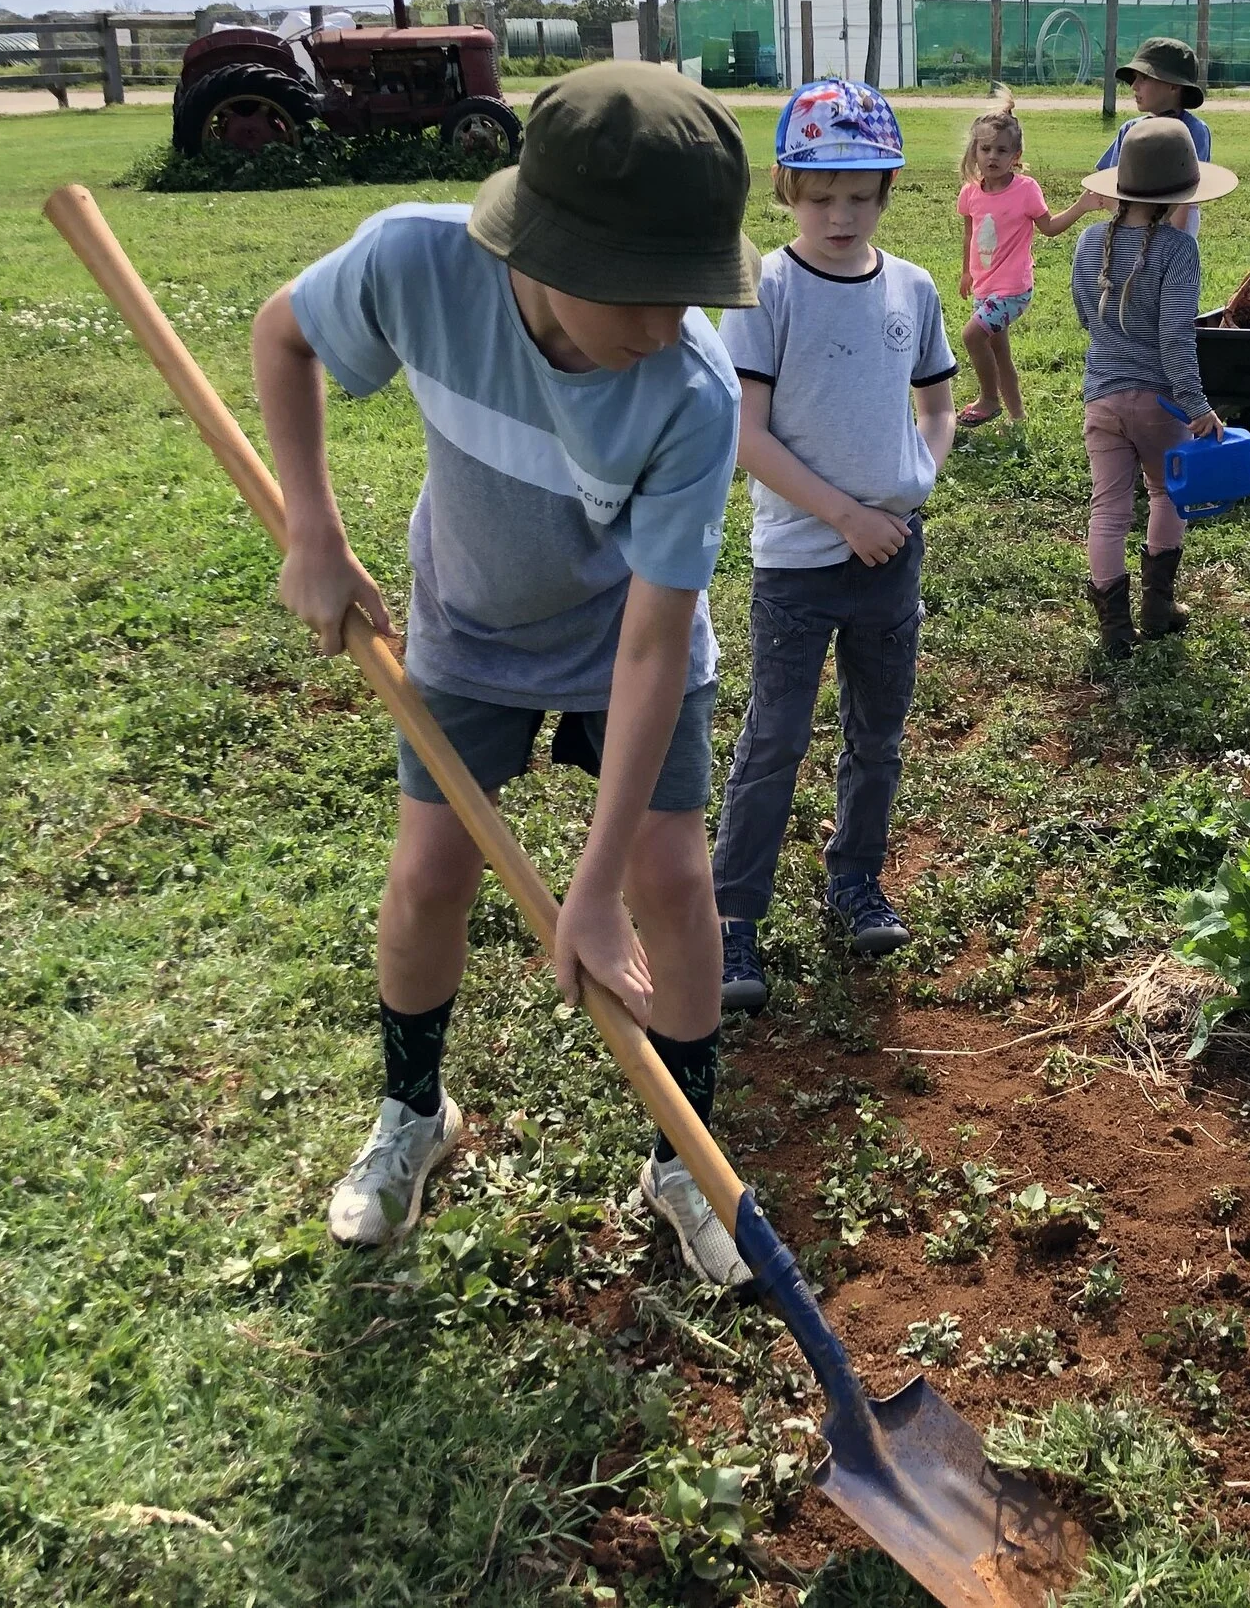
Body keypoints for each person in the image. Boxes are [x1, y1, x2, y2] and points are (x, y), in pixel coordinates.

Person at [249, 62, 758, 1288]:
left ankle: (683, 1155)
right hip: (467, 629)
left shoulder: (690, 392)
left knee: (672, 880)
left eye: (688, 291)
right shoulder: (414, 265)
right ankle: (415, 1116)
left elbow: (647, 645)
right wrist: (313, 532)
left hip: (618, 641)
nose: (665, 322)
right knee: (428, 876)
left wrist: (591, 895)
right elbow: (283, 334)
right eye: (640, 293)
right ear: (544, 245)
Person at [713, 78, 958, 1013]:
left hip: (893, 556)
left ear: (889, 190)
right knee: (774, 737)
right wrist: (845, 516)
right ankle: (734, 917)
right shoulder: (768, 288)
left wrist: (919, 473)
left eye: (861, 195)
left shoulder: (913, 288)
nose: (842, 215)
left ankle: (854, 879)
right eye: (821, 196)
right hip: (798, 565)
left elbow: (936, 404)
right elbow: (747, 434)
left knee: (878, 733)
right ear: (787, 191)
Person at [1071, 114, 1238, 658]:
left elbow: (1084, 316)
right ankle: (1158, 607)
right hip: (1159, 401)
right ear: (1179, 195)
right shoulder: (1177, 250)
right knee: (1167, 493)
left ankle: (1116, 632)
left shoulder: (1090, 242)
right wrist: (1197, 407)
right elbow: (1176, 338)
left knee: (1109, 510)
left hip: (1101, 397)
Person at [953, 88, 1065, 431]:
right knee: (999, 351)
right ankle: (1017, 416)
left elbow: (1048, 227)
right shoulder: (970, 192)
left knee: (973, 336)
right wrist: (966, 274)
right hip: (985, 287)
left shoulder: (1026, 189)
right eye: (985, 149)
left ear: (1015, 156)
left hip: (1014, 290)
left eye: (1002, 150)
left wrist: (1083, 206)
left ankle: (988, 399)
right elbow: (970, 234)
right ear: (975, 151)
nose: (992, 157)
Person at [1056, 36, 1214, 238]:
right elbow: (1111, 186)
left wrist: (1173, 241)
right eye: (1134, 78)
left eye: (1144, 78)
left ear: (1174, 86)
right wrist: (1130, 228)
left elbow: (1186, 196)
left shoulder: (1194, 130)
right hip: (1130, 223)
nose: (1134, 86)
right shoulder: (1131, 130)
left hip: (1175, 228)